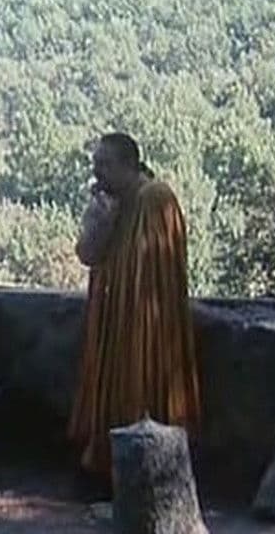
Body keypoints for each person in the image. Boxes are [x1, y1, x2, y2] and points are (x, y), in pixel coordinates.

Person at [67, 132, 202, 499]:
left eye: (104, 164)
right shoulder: (109, 203)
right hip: (112, 318)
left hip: (147, 322)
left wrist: (138, 312)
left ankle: (148, 473)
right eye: (95, 164)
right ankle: (104, 467)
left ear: (129, 165)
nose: (97, 172)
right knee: (109, 390)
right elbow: (87, 254)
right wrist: (102, 221)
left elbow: (156, 270)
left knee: (142, 388)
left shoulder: (155, 199)